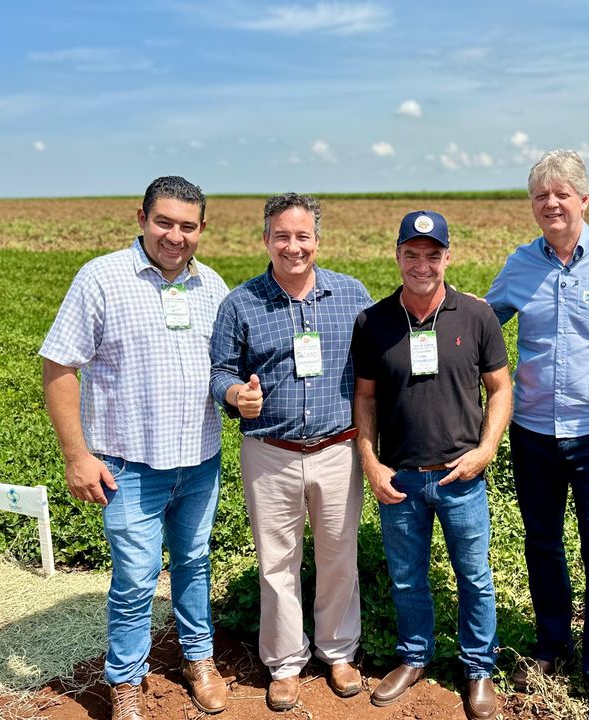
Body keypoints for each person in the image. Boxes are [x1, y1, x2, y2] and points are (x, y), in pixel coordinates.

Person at [41, 176, 229, 720]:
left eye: (187, 226)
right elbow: (59, 366)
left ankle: (198, 657)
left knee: (194, 561)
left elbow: (225, 366)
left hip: (200, 460)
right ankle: (125, 679)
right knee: (136, 578)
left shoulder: (211, 285)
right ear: (141, 219)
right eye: (164, 222)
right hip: (129, 466)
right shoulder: (102, 278)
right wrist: (77, 457)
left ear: (201, 229)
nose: (175, 236)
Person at [483, 149, 589, 720]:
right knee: (542, 544)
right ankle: (552, 647)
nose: (551, 204)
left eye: (561, 194)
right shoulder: (520, 264)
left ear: (584, 199)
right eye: (541, 196)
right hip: (532, 432)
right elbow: (483, 325)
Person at [209, 192, 371, 712]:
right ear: (266, 240)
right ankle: (284, 663)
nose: (293, 246)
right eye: (282, 236)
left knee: (339, 555)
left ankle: (338, 652)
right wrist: (236, 394)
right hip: (270, 451)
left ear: (317, 240)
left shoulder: (352, 294)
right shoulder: (241, 303)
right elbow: (220, 372)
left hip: (337, 448)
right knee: (276, 562)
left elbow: (378, 358)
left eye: (303, 236)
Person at [352, 210, 512, 720]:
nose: (422, 264)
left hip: (461, 476)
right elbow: (365, 398)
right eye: (412, 254)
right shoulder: (373, 322)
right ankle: (414, 657)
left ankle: (478, 668)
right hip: (399, 477)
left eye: (432, 254)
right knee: (406, 578)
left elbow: (500, 388)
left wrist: (486, 449)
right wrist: (371, 462)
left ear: (448, 256)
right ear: (397, 255)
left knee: (474, 577)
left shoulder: (477, 315)